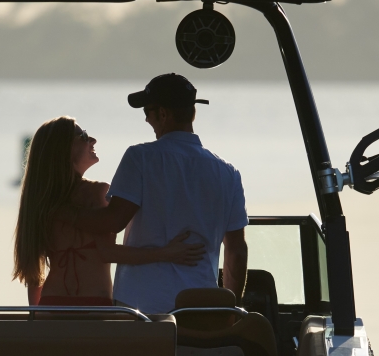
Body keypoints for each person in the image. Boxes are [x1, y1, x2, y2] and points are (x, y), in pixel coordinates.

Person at [75, 73, 248, 315]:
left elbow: (113, 221)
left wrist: (62, 212)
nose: (146, 119)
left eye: (147, 111)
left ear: (163, 114)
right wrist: (232, 307)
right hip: (202, 308)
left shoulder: (140, 158)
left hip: (141, 308)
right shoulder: (228, 172)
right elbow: (236, 252)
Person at [13, 116, 205, 306]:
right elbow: (107, 253)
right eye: (84, 136)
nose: (92, 140)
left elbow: (33, 273)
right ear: (65, 149)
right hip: (93, 304)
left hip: (51, 302)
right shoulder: (96, 192)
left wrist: (36, 315)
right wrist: (165, 253)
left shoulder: (42, 201)